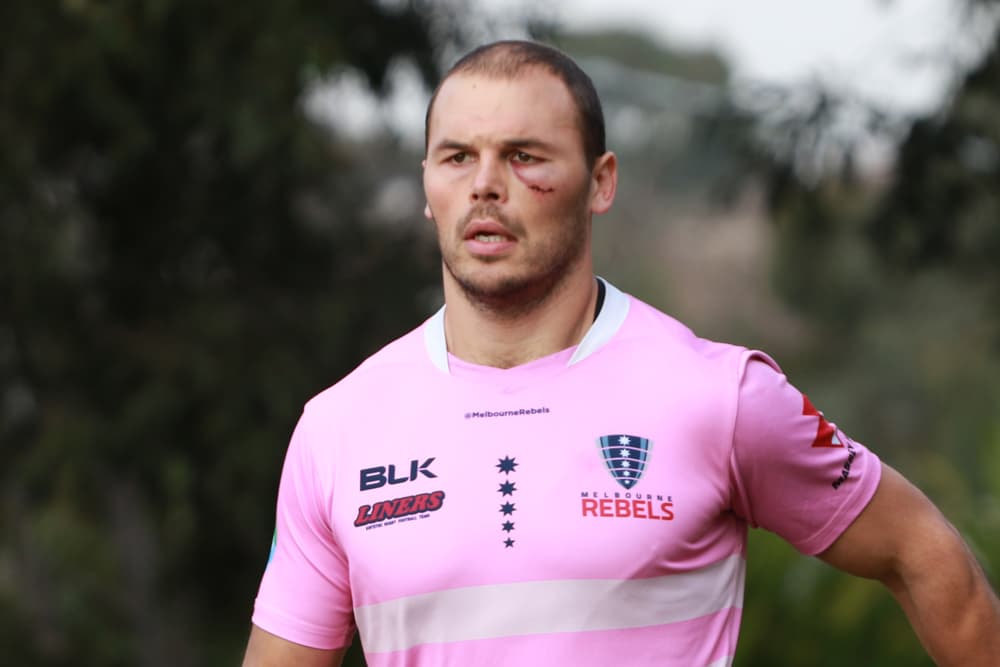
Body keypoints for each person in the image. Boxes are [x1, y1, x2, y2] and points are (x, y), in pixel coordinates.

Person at [242, 40, 1000, 666]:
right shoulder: (338, 428)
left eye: (525, 157)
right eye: (457, 158)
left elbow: (921, 552)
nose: (485, 186)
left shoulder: (720, 395)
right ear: (426, 186)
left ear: (600, 182)